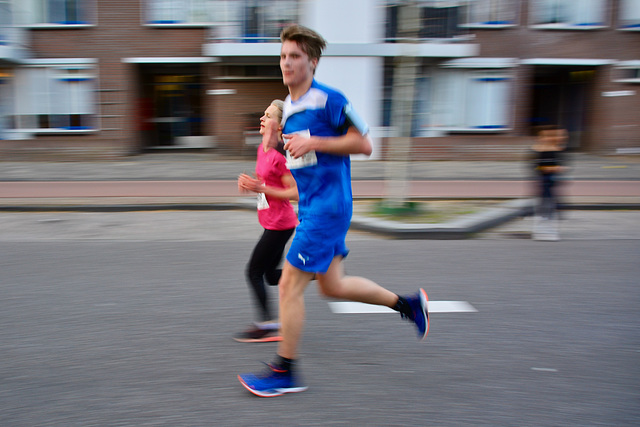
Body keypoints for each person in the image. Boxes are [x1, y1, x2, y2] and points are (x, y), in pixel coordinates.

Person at [238, 24, 429, 397]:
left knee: (289, 286)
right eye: (283, 56)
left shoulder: (329, 99)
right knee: (333, 286)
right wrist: (278, 152)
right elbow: (304, 161)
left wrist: (315, 140)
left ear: (312, 61)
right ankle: (409, 305)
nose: (287, 63)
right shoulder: (289, 108)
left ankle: (284, 372)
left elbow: (365, 144)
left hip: (328, 209)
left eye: (295, 56)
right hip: (312, 208)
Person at [235, 100, 298, 342]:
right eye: (263, 113)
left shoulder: (280, 157)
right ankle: (319, 273)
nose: (262, 117)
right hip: (271, 220)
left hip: (280, 224)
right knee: (271, 276)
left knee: (253, 272)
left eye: (268, 115)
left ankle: (267, 325)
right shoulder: (262, 150)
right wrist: (252, 185)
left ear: (280, 126)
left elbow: (295, 193)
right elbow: (265, 184)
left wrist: (261, 187)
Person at [531, 125, 568, 241]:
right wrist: (552, 168)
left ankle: (548, 229)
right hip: (543, 181)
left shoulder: (556, 150)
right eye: (545, 136)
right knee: (545, 204)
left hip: (552, 181)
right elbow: (536, 167)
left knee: (550, 204)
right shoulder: (538, 150)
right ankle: (541, 230)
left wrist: (557, 168)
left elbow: (560, 165)